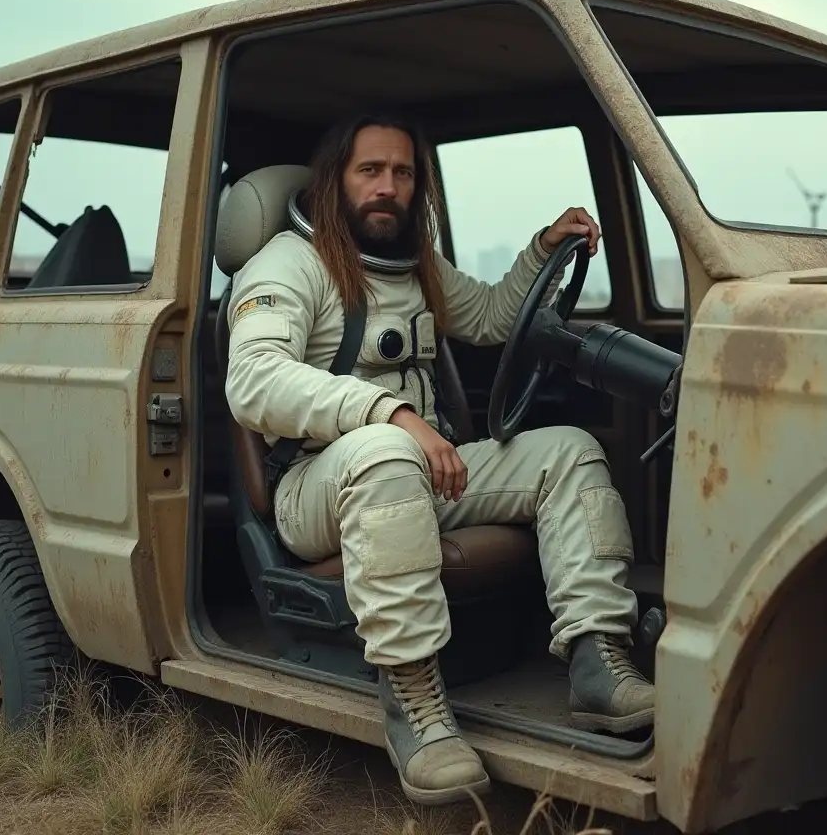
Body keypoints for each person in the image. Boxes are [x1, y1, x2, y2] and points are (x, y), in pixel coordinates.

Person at [224, 112, 654, 806]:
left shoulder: (411, 262)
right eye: (370, 171)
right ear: (336, 180)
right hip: (314, 487)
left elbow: (486, 318)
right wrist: (391, 414)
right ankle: (415, 705)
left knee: (568, 451)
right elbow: (255, 381)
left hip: (410, 468)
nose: (387, 188)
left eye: (402, 173)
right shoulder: (286, 265)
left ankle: (597, 660)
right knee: (386, 450)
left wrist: (543, 249)